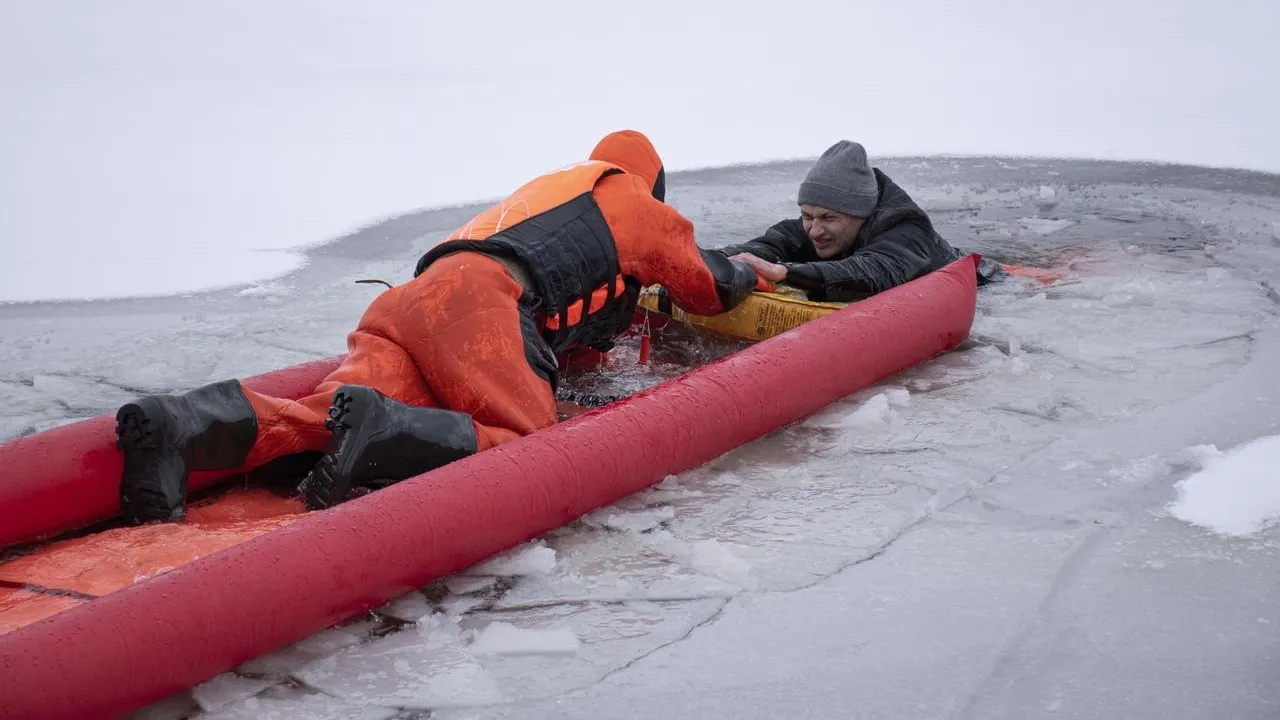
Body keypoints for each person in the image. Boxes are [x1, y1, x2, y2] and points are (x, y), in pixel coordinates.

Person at [114, 130, 759, 523]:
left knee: (321, 412)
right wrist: (757, 274)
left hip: (410, 301)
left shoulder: (547, 196)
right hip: (481, 310)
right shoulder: (634, 203)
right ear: (653, 184)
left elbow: (568, 305)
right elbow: (704, 286)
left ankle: (188, 422)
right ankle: (389, 432)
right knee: (530, 442)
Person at [715, 140, 1004, 302]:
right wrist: (708, 260)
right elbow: (770, 244)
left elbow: (873, 272)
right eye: (807, 215)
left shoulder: (907, 230)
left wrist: (785, 272)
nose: (815, 230)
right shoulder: (819, 227)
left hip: (990, 286)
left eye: (829, 218)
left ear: (861, 215)